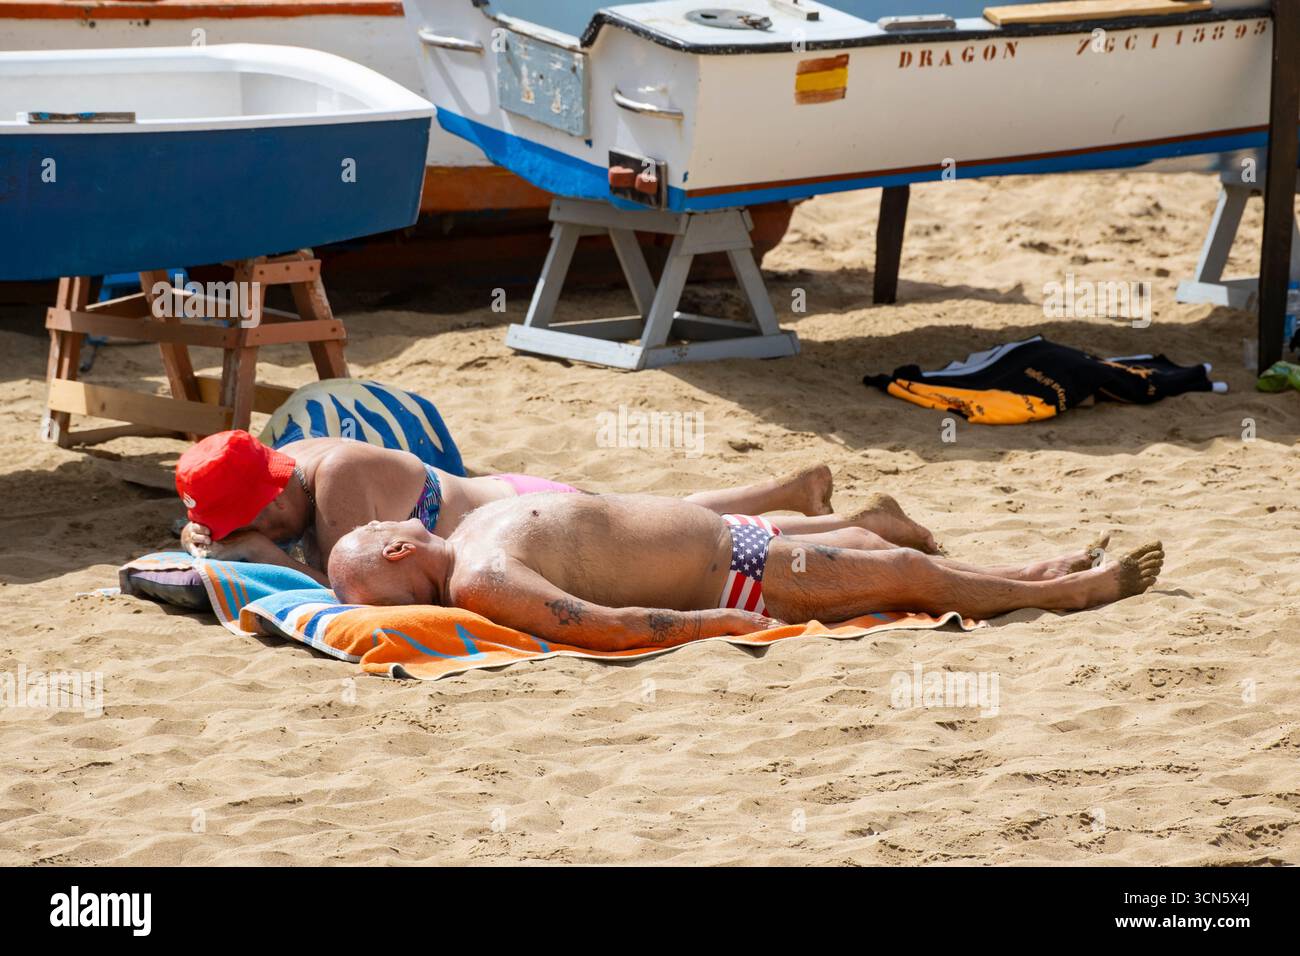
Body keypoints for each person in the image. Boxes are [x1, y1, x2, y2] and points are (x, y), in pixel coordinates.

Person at [327, 493, 1163, 647]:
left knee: (882, 555)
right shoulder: (480, 578)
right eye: (370, 529)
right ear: (400, 552)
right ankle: (1068, 593)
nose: (375, 517)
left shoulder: (473, 533)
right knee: (906, 568)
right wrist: (717, 623)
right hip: (740, 579)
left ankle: (1027, 568)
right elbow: (603, 627)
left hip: (734, 541)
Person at [175, 431, 940, 586]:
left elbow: (342, 585)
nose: (253, 534)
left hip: (524, 510)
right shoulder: (293, 458)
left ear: (276, 491)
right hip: (504, 508)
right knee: (675, 517)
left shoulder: (336, 477)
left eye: (253, 518)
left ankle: (865, 526)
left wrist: (265, 557)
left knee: (694, 534)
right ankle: (794, 493)